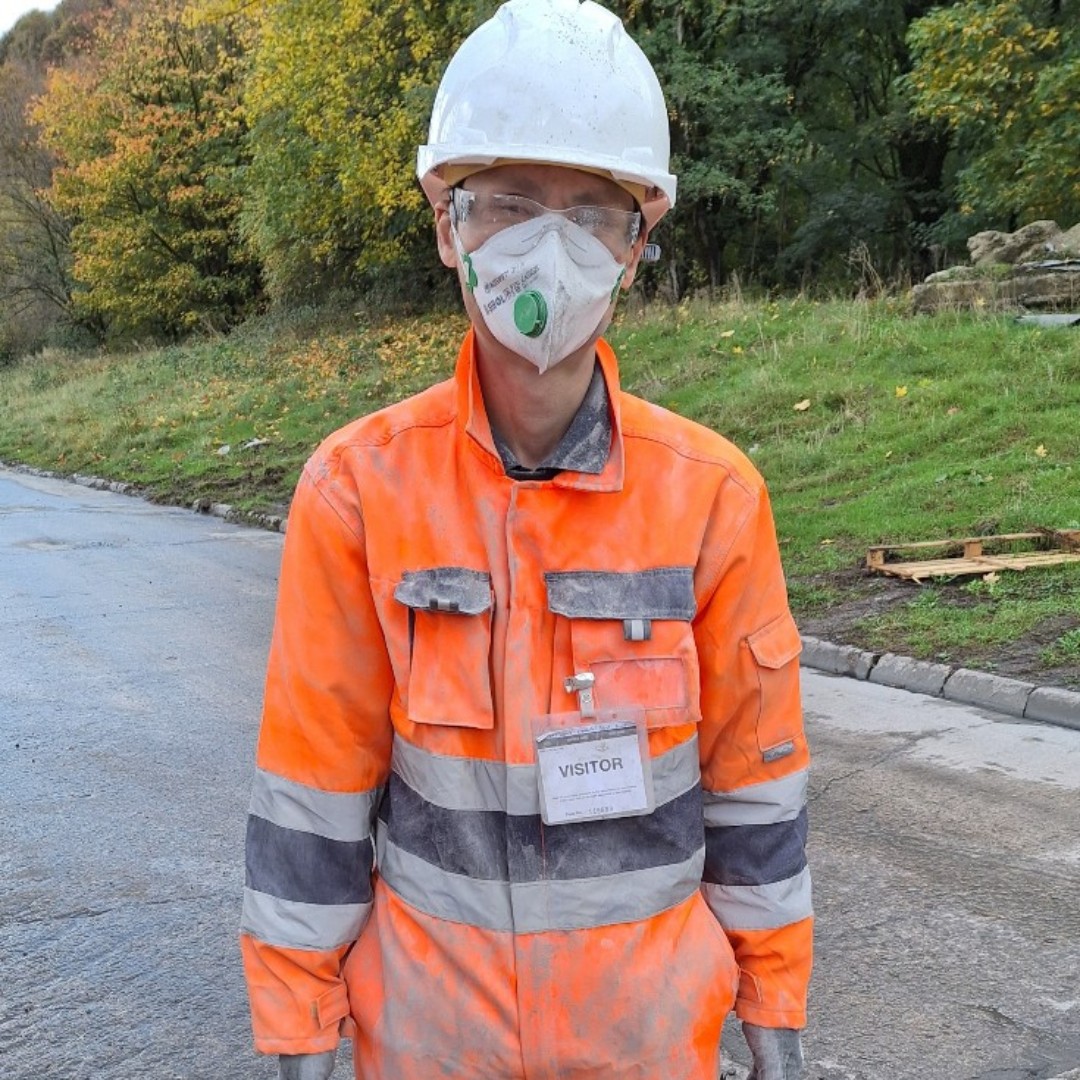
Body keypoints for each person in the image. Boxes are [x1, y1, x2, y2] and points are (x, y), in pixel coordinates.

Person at [240, 2, 812, 1078]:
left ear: (634, 248)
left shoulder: (712, 499)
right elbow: (312, 801)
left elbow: (756, 793)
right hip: (432, 1047)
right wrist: (298, 1033)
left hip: (648, 1048)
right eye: (509, 203)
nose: (549, 247)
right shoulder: (357, 492)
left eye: (590, 213)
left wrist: (775, 1017)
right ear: (447, 226)